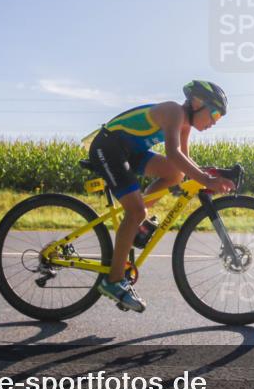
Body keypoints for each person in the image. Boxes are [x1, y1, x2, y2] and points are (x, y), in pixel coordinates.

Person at [86, 80, 235, 312]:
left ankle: (136, 224)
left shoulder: (184, 124)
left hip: (130, 151)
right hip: (108, 147)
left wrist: (208, 176)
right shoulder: (173, 111)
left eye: (219, 118)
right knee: (136, 211)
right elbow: (173, 153)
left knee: (175, 174)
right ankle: (113, 281)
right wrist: (207, 180)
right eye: (214, 113)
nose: (215, 122)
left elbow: (183, 163)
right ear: (197, 102)